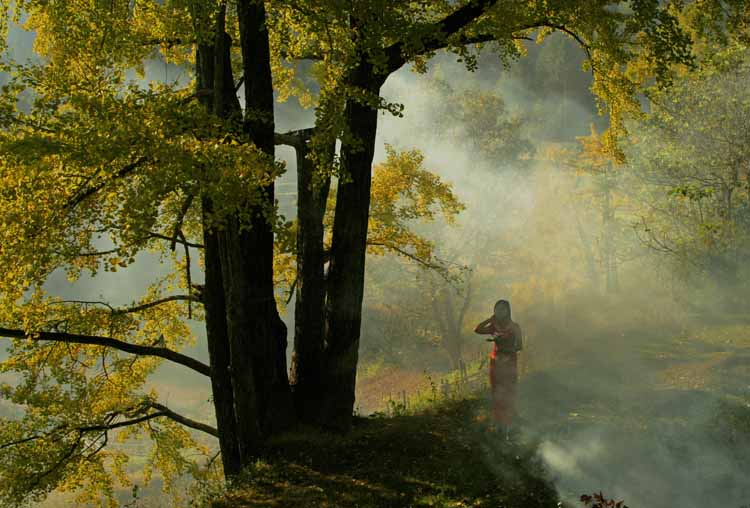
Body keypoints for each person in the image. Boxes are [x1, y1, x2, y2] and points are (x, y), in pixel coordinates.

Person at [474, 299, 522, 428]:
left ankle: (510, 419)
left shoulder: (515, 327)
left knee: (508, 389)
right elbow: (478, 329)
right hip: (496, 361)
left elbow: (519, 346)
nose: (499, 311)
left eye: (502, 309)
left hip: (509, 362)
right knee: (496, 390)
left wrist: (506, 349)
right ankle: (498, 420)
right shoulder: (494, 326)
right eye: (497, 309)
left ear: (508, 311)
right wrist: (490, 319)